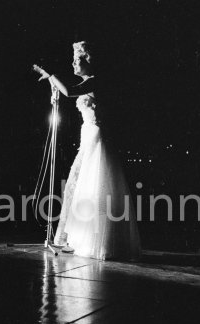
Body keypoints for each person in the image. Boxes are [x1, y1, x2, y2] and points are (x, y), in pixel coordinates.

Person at [33, 41, 141, 261]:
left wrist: (50, 74)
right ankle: (81, 237)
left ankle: (98, 240)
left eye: (77, 59)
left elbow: (70, 91)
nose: (73, 63)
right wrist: (52, 81)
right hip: (88, 134)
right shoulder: (88, 82)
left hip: (97, 138)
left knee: (94, 185)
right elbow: (68, 89)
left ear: (88, 61)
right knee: (82, 186)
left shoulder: (95, 82)